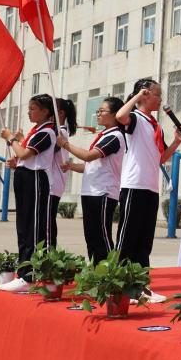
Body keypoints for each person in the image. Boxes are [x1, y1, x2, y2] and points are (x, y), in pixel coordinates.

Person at [115, 79, 181, 287]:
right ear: (145, 94)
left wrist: (177, 141)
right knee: (127, 238)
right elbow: (120, 116)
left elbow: (161, 158)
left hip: (151, 187)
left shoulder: (156, 126)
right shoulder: (135, 118)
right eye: (157, 94)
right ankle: (120, 286)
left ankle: (141, 285)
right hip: (134, 185)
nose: (161, 99)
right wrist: (137, 97)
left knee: (144, 240)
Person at [0, 94, 57, 292]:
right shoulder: (35, 131)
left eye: (33, 108)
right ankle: (24, 273)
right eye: (29, 108)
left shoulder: (47, 132)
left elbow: (24, 153)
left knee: (33, 227)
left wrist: (11, 138)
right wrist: (18, 162)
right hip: (25, 177)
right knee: (23, 227)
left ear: (45, 111)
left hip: (36, 180)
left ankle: (29, 276)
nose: (29, 112)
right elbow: (24, 157)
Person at [58, 97, 126, 264]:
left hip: (103, 192)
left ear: (115, 114)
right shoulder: (104, 136)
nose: (98, 114)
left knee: (102, 236)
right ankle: (96, 270)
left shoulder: (115, 136)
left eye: (102, 111)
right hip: (90, 192)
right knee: (91, 236)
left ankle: (110, 271)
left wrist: (65, 145)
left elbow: (88, 156)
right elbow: (91, 166)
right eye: (98, 111)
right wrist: (71, 166)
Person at [48, 97, 77, 249]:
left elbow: (44, 152)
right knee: (46, 220)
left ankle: (49, 252)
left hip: (53, 183)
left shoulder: (60, 133)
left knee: (47, 222)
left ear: (60, 113)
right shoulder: (56, 131)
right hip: (52, 182)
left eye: (49, 109)